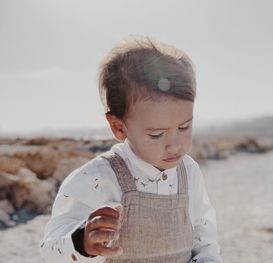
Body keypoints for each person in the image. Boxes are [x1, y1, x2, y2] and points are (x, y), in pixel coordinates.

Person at [39, 36, 223, 263]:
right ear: (118, 126)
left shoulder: (189, 172)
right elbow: (50, 251)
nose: (176, 145)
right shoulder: (98, 178)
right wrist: (82, 243)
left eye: (184, 127)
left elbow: (204, 238)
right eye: (156, 134)